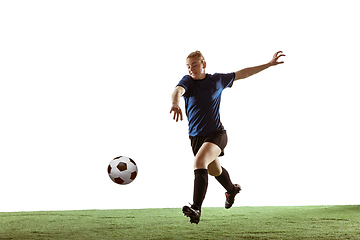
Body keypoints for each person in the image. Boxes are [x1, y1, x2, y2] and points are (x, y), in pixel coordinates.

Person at [170, 50, 285, 224]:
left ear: (204, 64)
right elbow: (177, 90)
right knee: (214, 170)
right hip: (195, 137)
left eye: (194, 64)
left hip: (217, 134)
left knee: (199, 163)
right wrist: (174, 103)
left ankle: (196, 208)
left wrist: (268, 64)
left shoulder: (217, 80)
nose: (191, 69)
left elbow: (243, 73)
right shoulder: (188, 82)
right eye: (188, 66)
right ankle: (232, 190)